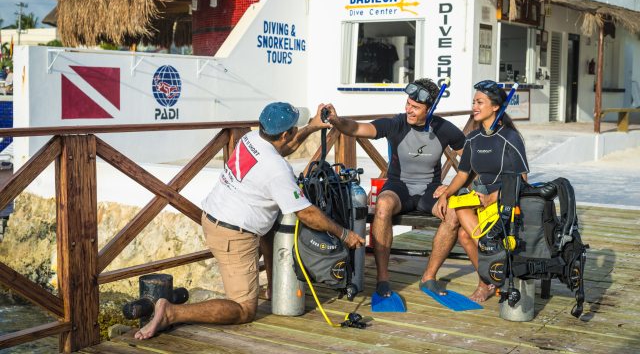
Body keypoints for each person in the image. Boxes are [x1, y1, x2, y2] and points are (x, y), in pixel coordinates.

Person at [135, 102, 365, 339]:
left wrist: (312, 127)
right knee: (244, 309)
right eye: (296, 128)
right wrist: (344, 234)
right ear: (286, 133)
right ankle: (171, 313)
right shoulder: (277, 170)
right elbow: (305, 212)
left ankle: (274, 286)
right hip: (232, 234)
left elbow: (284, 147)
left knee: (271, 220)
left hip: (216, 216)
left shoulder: (252, 139)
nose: (296, 131)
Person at [322, 78, 473, 302]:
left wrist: (453, 190)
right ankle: (383, 277)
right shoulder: (396, 124)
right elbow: (356, 128)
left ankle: (429, 277)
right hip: (398, 187)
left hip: (430, 190)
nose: (409, 110)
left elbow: (471, 161)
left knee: (453, 213)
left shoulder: (444, 129)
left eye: (416, 107)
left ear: (429, 109)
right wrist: (336, 120)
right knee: (382, 206)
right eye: (408, 103)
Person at [434, 80, 529, 302]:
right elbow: (463, 174)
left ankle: (486, 281)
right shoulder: (473, 138)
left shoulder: (510, 137)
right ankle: (493, 271)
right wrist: (446, 193)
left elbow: (523, 180)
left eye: (480, 102)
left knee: (466, 234)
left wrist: (495, 197)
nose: (474, 106)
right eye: (473, 102)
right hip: (481, 198)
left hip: (507, 199)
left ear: (496, 106)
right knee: (460, 209)